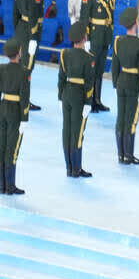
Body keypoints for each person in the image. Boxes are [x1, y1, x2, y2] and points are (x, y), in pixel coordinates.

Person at [111, 7, 139, 166]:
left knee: (120, 118)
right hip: (133, 84)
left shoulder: (118, 41)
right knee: (131, 120)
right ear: (136, 23)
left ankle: (121, 155)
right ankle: (129, 155)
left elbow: (114, 66)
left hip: (121, 82)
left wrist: (115, 84)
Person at [58, 22, 94, 178]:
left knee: (66, 131)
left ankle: (69, 167)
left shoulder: (64, 54)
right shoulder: (88, 58)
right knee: (77, 133)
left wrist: (60, 96)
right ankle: (76, 169)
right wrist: (88, 102)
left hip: (66, 93)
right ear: (84, 38)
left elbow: (61, 77)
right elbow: (89, 84)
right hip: (79, 96)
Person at [79, 0, 115, 113]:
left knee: (100, 68)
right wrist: (86, 39)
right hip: (94, 36)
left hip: (105, 34)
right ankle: (89, 99)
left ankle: (97, 100)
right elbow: (84, 20)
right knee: (91, 69)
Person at [12, 0, 42, 112]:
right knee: (27, 67)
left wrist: (18, 31)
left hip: (21, 29)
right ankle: (23, 101)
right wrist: (33, 35)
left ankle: (18, 97)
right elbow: (33, 16)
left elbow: (15, 14)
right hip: (31, 32)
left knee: (20, 65)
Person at [0, 39, 29, 195]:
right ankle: (10, 186)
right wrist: (24, 118)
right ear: (18, 53)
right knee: (12, 148)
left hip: (3, 107)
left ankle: (1, 185)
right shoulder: (24, 72)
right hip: (15, 112)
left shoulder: (1, 68)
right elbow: (24, 97)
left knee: (1, 146)